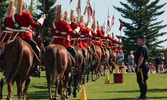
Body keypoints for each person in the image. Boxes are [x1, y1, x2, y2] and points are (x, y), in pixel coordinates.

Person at [11, 0, 46, 77]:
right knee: (37, 50)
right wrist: (41, 19)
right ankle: (36, 68)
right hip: (26, 37)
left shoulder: (13, 16)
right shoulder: (27, 14)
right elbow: (35, 25)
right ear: (25, 7)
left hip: (15, 38)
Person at [134, 35, 149, 99]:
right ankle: (142, 94)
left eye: (139, 39)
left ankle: (143, 95)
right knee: (140, 80)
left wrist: (139, 66)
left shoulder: (143, 48)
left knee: (142, 81)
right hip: (141, 65)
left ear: (143, 40)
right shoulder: (141, 47)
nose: (137, 41)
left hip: (142, 66)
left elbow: (141, 58)